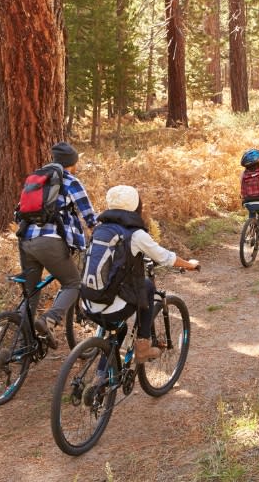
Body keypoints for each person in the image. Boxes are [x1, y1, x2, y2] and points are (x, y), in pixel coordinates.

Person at [81, 185, 200, 364]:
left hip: (88, 304)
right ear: (136, 206)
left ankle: (103, 378)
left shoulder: (100, 229)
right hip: (112, 308)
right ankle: (143, 348)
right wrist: (189, 265)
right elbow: (165, 257)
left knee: (117, 333)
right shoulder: (135, 235)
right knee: (148, 286)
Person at [18, 141, 97, 349]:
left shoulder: (37, 179)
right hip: (50, 242)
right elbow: (89, 216)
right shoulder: (70, 181)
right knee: (73, 283)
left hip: (25, 239)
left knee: (31, 293)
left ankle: (22, 344)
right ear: (72, 163)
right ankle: (49, 320)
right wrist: (98, 233)